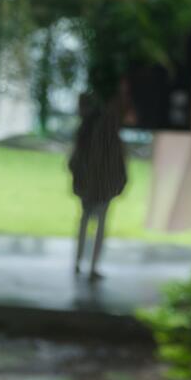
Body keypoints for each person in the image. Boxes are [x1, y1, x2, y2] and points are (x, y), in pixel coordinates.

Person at [69, 92, 127, 280]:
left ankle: (79, 263)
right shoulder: (108, 130)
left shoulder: (86, 130)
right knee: (98, 222)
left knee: (87, 220)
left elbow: (75, 160)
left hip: (90, 183)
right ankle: (89, 265)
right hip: (101, 184)